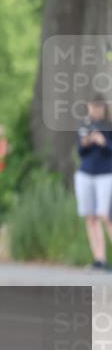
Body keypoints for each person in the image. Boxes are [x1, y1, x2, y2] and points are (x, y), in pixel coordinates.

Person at [75, 95, 112, 271]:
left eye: (98, 107)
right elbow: (80, 151)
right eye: (92, 107)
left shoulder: (108, 126)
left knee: (107, 216)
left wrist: (104, 142)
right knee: (91, 217)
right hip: (85, 174)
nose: (95, 110)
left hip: (106, 174)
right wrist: (88, 141)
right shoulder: (84, 126)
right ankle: (99, 259)